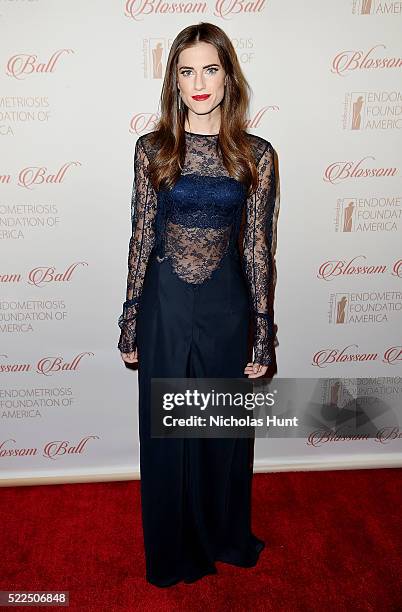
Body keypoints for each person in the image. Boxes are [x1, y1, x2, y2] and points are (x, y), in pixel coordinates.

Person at [117, 22, 276, 588]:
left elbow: (258, 247)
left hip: (226, 306)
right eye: (187, 70)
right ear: (174, 81)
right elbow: (142, 236)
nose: (199, 81)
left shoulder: (256, 154)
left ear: (228, 76)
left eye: (211, 68)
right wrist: (131, 314)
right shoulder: (153, 148)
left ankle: (221, 534)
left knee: (219, 431)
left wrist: (263, 329)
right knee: (166, 432)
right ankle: (172, 549)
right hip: (163, 301)